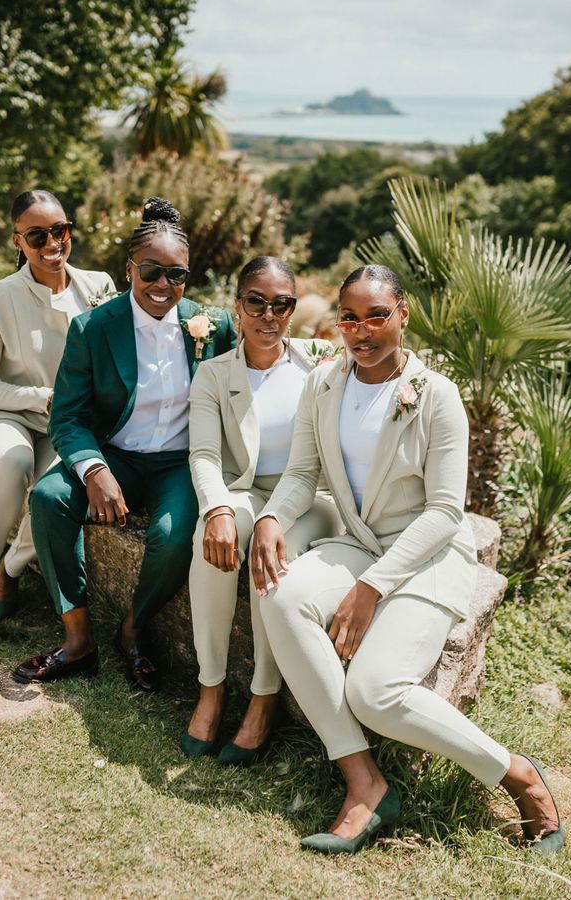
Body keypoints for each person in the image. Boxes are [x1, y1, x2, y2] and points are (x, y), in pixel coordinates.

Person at [250, 264, 565, 854]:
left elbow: (447, 512)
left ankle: (518, 776)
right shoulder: (323, 385)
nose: (362, 330)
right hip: (362, 542)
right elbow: (300, 474)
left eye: (377, 315)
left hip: (429, 555)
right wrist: (270, 518)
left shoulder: (437, 396)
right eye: (349, 316)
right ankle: (364, 783)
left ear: (403, 314)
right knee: (280, 593)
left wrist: (370, 588)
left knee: (377, 693)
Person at [12, 197, 237, 690]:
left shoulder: (211, 326)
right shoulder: (93, 328)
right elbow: (68, 417)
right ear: (129, 269)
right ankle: (78, 639)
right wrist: (93, 470)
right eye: (151, 272)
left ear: (187, 276)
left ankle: (132, 631)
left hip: (180, 462)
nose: (163, 285)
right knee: (48, 499)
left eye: (175, 275)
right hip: (114, 453)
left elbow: (253, 373)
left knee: (175, 535)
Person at [182, 256, 343, 765]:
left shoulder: (319, 361)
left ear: (293, 309)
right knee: (211, 536)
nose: (268, 314)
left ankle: (263, 696)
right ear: (238, 305)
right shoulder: (212, 374)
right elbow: (205, 455)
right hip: (249, 489)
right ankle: (212, 688)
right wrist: (218, 510)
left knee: (274, 551)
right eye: (257, 301)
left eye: (282, 304)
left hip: (313, 499)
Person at [0, 189, 116, 647]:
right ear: (18, 241)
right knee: (12, 463)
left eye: (61, 230)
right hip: (5, 414)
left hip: (67, 427)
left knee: (57, 489)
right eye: (37, 235)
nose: (53, 242)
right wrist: (40, 396)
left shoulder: (99, 287)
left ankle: (11, 567)